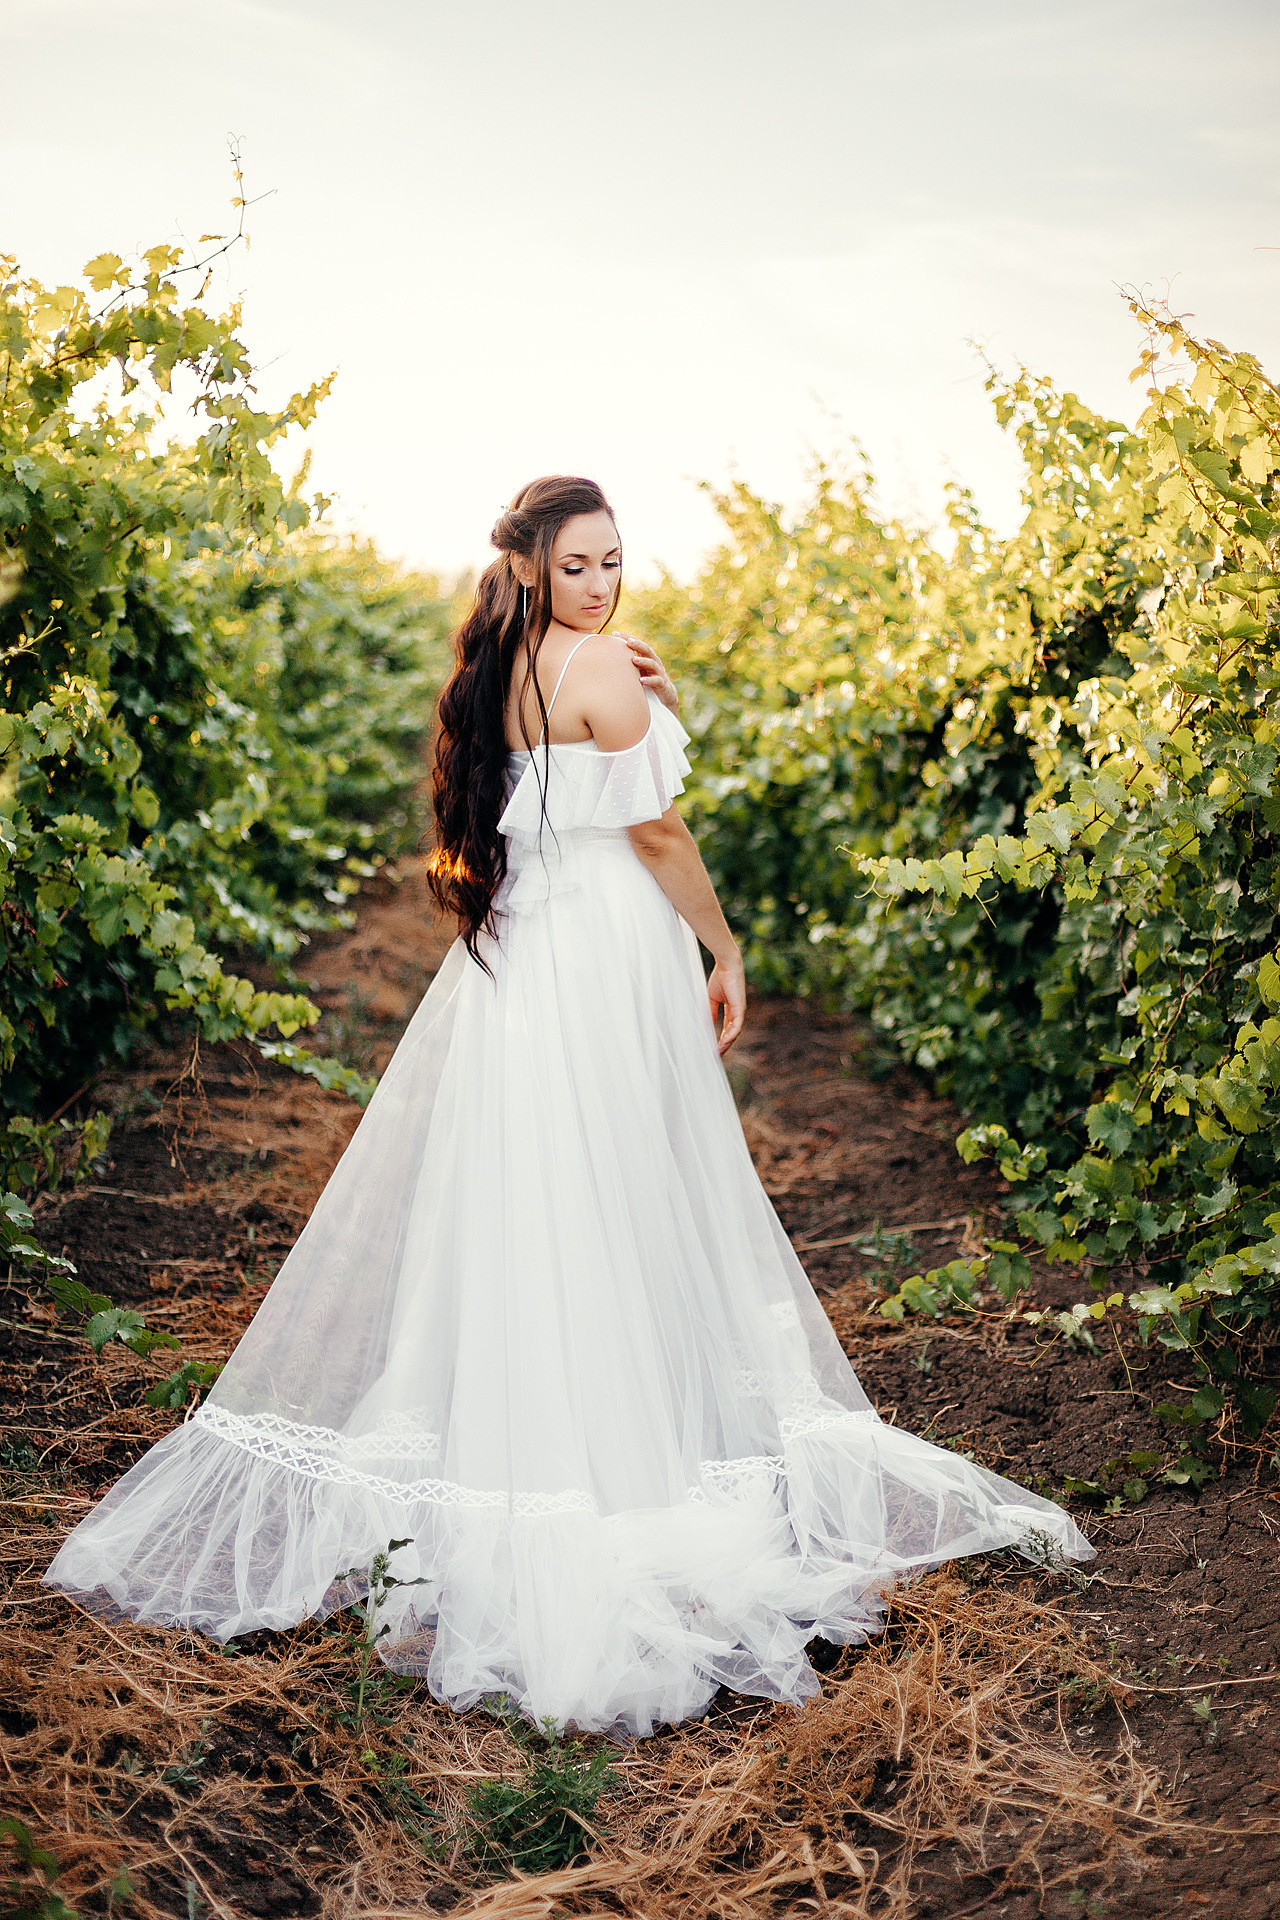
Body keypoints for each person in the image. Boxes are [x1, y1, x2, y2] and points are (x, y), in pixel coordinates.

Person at [44, 474, 1093, 1737]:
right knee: (618, 1184)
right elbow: (654, 834)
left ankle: (534, 1425)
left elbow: (586, 788)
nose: (602, 582)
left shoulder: (504, 666)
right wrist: (723, 947)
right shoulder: (592, 667)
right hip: (602, 949)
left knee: (534, 1189)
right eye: (580, 563)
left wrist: (641, 691)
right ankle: (614, 1459)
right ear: (534, 565)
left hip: (526, 961)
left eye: (613, 560)